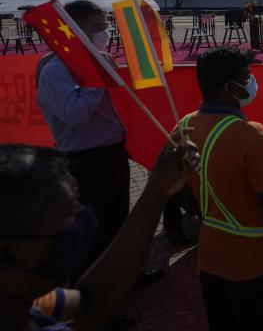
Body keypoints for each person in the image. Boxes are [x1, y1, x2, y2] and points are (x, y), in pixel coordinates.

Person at [177, 47, 263, 331]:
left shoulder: (184, 126)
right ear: (230, 87)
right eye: (246, 76)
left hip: (211, 258)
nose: (252, 82)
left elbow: (181, 191)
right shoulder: (251, 135)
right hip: (258, 262)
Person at [0, 141, 195, 331]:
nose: (81, 224)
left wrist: (158, 191)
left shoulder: (33, 302)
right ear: (8, 252)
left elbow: (91, 304)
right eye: (65, 219)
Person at [35, 1, 162, 289]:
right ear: (76, 31)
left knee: (118, 219)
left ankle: (127, 273)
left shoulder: (96, 60)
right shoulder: (56, 70)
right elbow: (74, 115)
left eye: (106, 28)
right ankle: (97, 296)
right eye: (98, 29)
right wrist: (98, 79)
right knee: (94, 230)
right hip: (86, 160)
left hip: (112, 152)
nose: (105, 35)